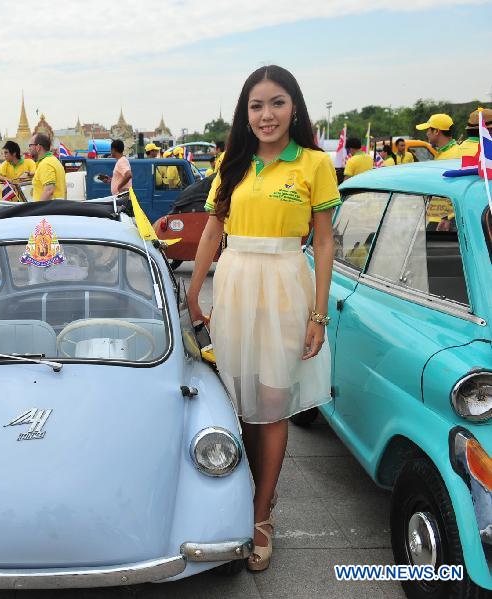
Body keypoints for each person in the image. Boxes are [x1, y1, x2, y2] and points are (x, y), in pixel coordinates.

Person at [187, 65, 338, 572]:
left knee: (272, 403)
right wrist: (192, 289)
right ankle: (241, 491)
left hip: (283, 287)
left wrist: (319, 313)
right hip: (234, 284)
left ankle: (260, 513)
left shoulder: (314, 164)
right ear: (244, 113)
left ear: (293, 107)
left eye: (276, 103)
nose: (266, 114)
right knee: (238, 398)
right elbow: (212, 230)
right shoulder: (233, 162)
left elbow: (322, 240)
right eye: (256, 105)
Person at [28, 133, 66, 201]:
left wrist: (37, 209)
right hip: (56, 207)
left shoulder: (46, 164)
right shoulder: (53, 160)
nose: (29, 148)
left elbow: (49, 191)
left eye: (30, 145)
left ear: (38, 147)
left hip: (48, 210)